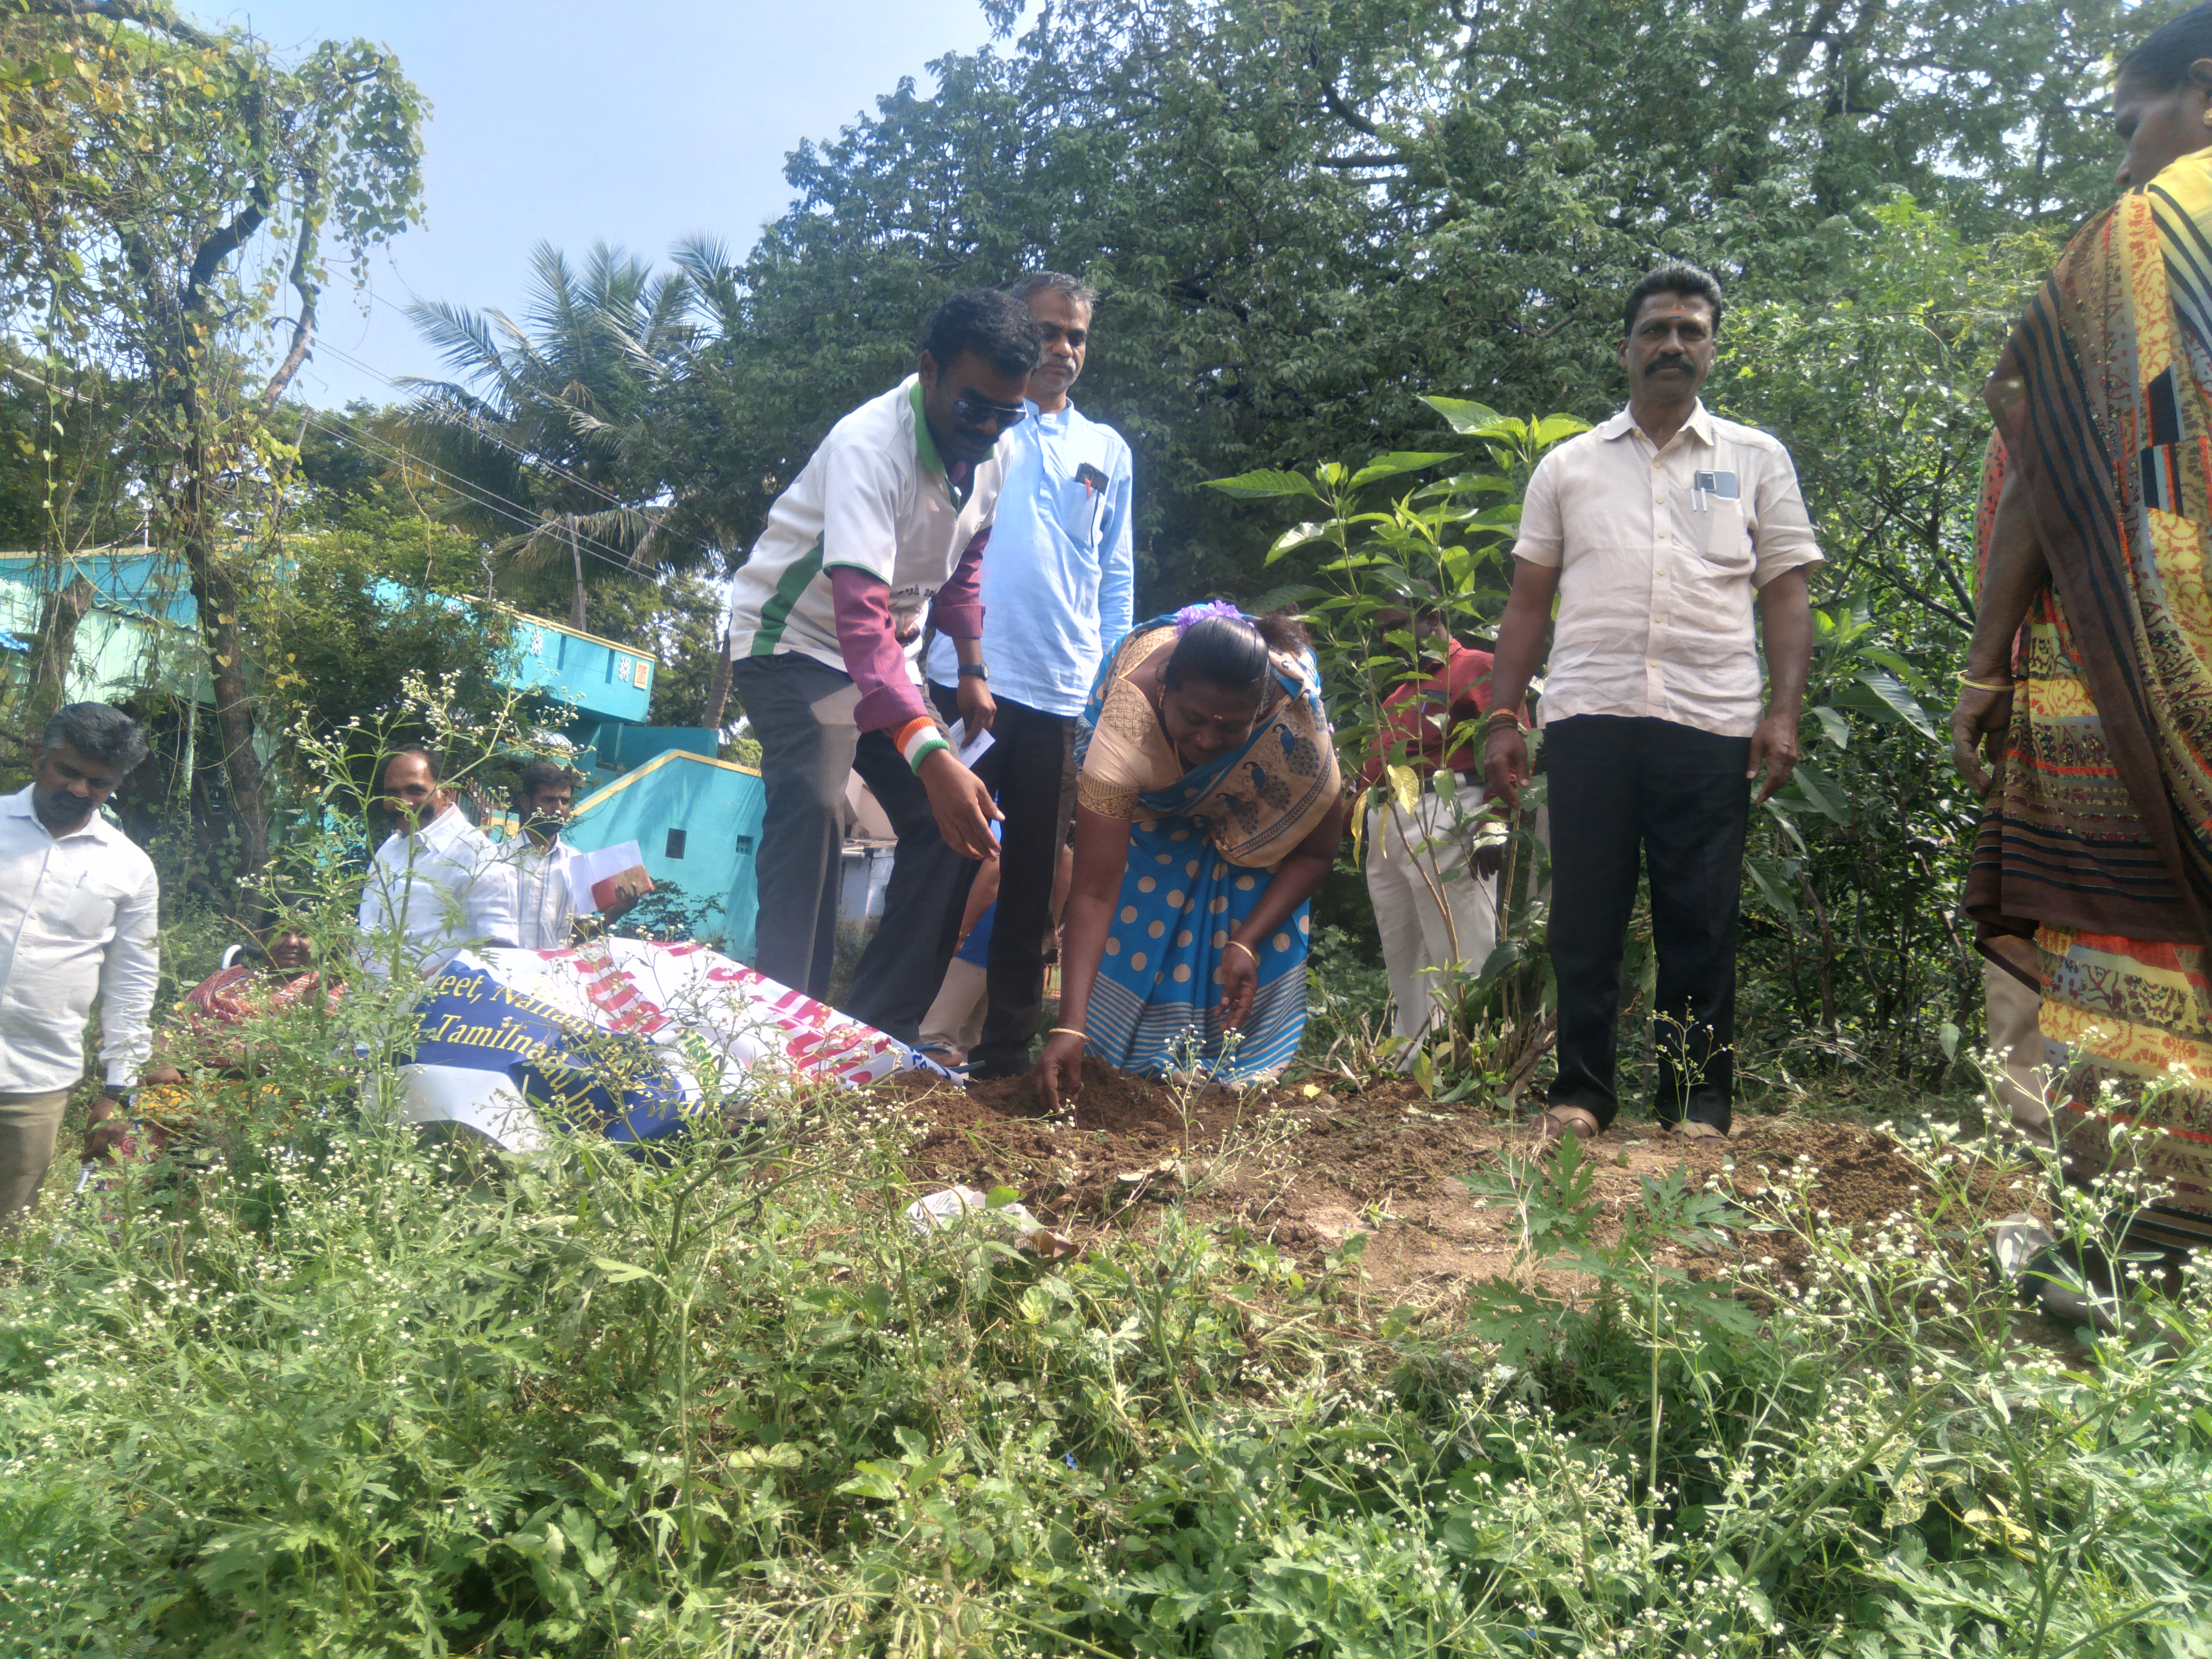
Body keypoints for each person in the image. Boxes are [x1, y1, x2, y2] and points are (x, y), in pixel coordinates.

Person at [1952, 3, 2212, 1246]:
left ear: (2202, 91)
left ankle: (2129, 1235)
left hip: (2130, 680)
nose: (2124, 160)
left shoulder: (2139, 242)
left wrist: (1984, 662)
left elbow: (2054, 478)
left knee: (2124, 928)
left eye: (2132, 122)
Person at [1484, 260, 1821, 1146]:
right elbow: (1527, 604)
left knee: (1699, 921)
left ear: (1712, 348)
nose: (1673, 345)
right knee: (1584, 916)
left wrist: (1782, 714)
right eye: (1656, 331)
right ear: (1626, 348)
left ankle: (1696, 1102)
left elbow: (1786, 592)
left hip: (1711, 721)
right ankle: (1583, 1094)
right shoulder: (1569, 467)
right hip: (1590, 715)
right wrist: (1501, 715)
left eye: (1691, 331)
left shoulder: (1756, 460)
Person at [723, 289, 1037, 1008]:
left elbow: (965, 561)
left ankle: (874, 1034)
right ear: (929, 370)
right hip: (795, 641)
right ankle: (783, 1033)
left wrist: (973, 666)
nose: (988, 427)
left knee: (954, 824)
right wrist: (930, 753)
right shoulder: (869, 447)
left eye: (1006, 411)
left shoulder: (999, 449)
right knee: (816, 800)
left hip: (884, 656)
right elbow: (859, 617)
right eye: (973, 407)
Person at [903, 271, 1137, 1075]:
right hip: (962, 679)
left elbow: (1116, 575)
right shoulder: (980, 422)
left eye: (1076, 336)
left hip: (1064, 692)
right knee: (936, 862)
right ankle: (893, 1038)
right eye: (1046, 331)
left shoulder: (1106, 451)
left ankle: (1001, 1062)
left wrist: (1113, 688)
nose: (1061, 350)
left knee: (1034, 882)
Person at [1035, 605, 1347, 1109]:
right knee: (1142, 891)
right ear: (1165, 689)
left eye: (1229, 729)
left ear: (1260, 708)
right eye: (1193, 719)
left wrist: (1247, 941)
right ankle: (1111, 1055)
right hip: (1152, 802)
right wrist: (1071, 1024)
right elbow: (1095, 890)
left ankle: (1232, 1077)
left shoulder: (1293, 727)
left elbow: (1316, 851)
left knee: (1252, 879)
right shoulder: (1127, 723)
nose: (1207, 739)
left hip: (1252, 816)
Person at [0, 703, 158, 1221]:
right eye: (67, 771)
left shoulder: (129, 867)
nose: (78, 790)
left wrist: (119, 1088)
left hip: (34, 1081)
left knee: (7, 1236)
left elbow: (133, 982)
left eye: (98, 782)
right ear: (39, 757)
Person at [1357, 606, 1499, 1065]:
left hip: (1447, 802)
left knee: (1462, 944)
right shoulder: (1398, 690)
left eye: (1396, 627)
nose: (1387, 640)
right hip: (1388, 819)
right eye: (1382, 632)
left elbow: (1505, 745)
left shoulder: (1475, 666)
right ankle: (1414, 1063)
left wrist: (1493, 821)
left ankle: (1468, 1060)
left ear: (1433, 618)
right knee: (1404, 950)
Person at [135, 923, 341, 1151]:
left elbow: (314, 1056)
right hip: (192, 1087)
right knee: (138, 1123)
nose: (292, 942)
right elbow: (172, 1027)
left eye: (303, 934)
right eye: (281, 932)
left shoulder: (327, 988)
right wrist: (163, 1060)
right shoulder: (222, 981)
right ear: (261, 937)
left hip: (267, 1097)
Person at [357, 748, 519, 978]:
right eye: (392, 793)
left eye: (416, 791)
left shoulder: (478, 855)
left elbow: (499, 948)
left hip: (428, 1008)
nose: (403, 803)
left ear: (447, 793)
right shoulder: (390, 848)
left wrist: (417, 988)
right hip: (365, 1006)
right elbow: (367, 929)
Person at [501, 758, 635, 950]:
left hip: (553, 975)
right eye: (549, 800)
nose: (558, 808)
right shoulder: (496, 859)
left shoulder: (577, 863)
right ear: (526, 802)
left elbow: (575, 936)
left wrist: (613, 915)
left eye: (565, 801)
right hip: (503, 973)